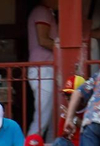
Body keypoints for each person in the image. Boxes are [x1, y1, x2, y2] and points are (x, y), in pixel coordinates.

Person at [27, 0, 58, 136]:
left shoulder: (46, 12)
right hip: (43, 69)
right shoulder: (42, 11)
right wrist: (64, 49)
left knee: (52, 119)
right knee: (42, 117)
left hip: (46, 68)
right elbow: (43, 40)